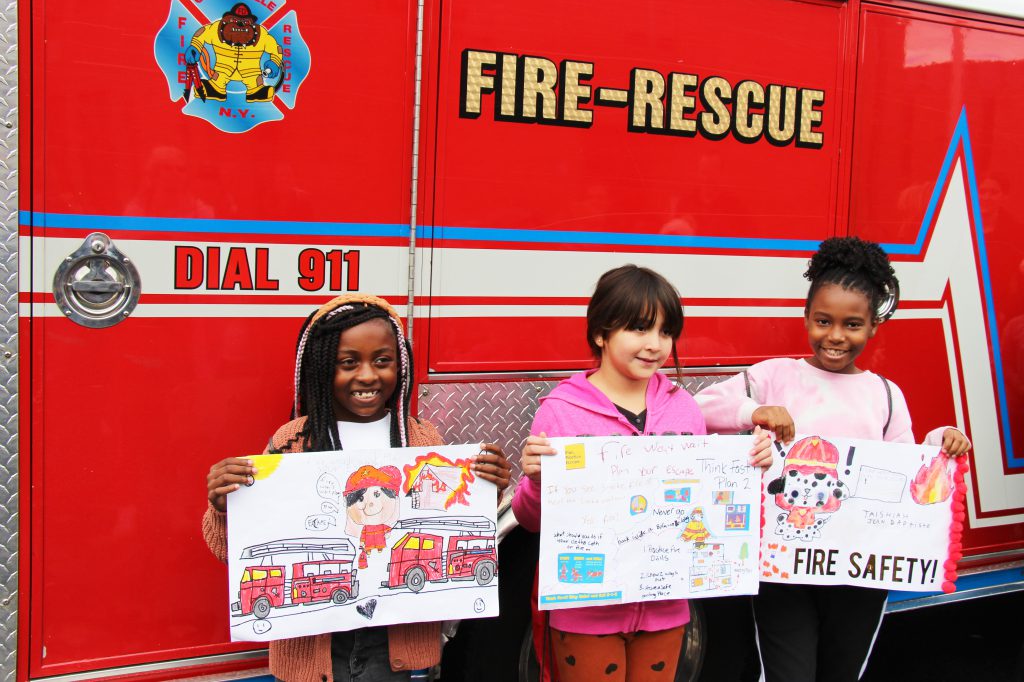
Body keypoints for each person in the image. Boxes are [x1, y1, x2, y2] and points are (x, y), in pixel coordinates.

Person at [695, 236, 972, 682]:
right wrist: (754, 411)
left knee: (843, 671)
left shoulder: (884, 393)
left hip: (860, 574)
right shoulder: (774, 375)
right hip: (783, 568)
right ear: (806, 318)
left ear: (873, 328)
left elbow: (908, 477)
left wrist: (942, 442)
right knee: (789, 672)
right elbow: (701, 410)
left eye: (852, 324)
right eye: (823, 321)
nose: (836, 336)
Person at [203, 294, 512, 682]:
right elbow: (229, 551)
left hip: (391, 639)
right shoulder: (293, 442)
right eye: (348, 363)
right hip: (316, 643)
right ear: (319, 369)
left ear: (400, 367)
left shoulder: (419, 439)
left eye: (382, 361)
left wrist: (487, 488)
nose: (367, 376)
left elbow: (446, 516)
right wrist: (223, 506)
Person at [513, 265, 773, 682]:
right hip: (585, 610)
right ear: (601, 332)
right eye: (638, 328)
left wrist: (749, 467)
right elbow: (529, 519)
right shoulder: (559, 411)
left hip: (666, 608)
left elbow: (703, 504)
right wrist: (537, 481)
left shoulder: (684, 409)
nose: (654, 345)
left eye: (666, 332)